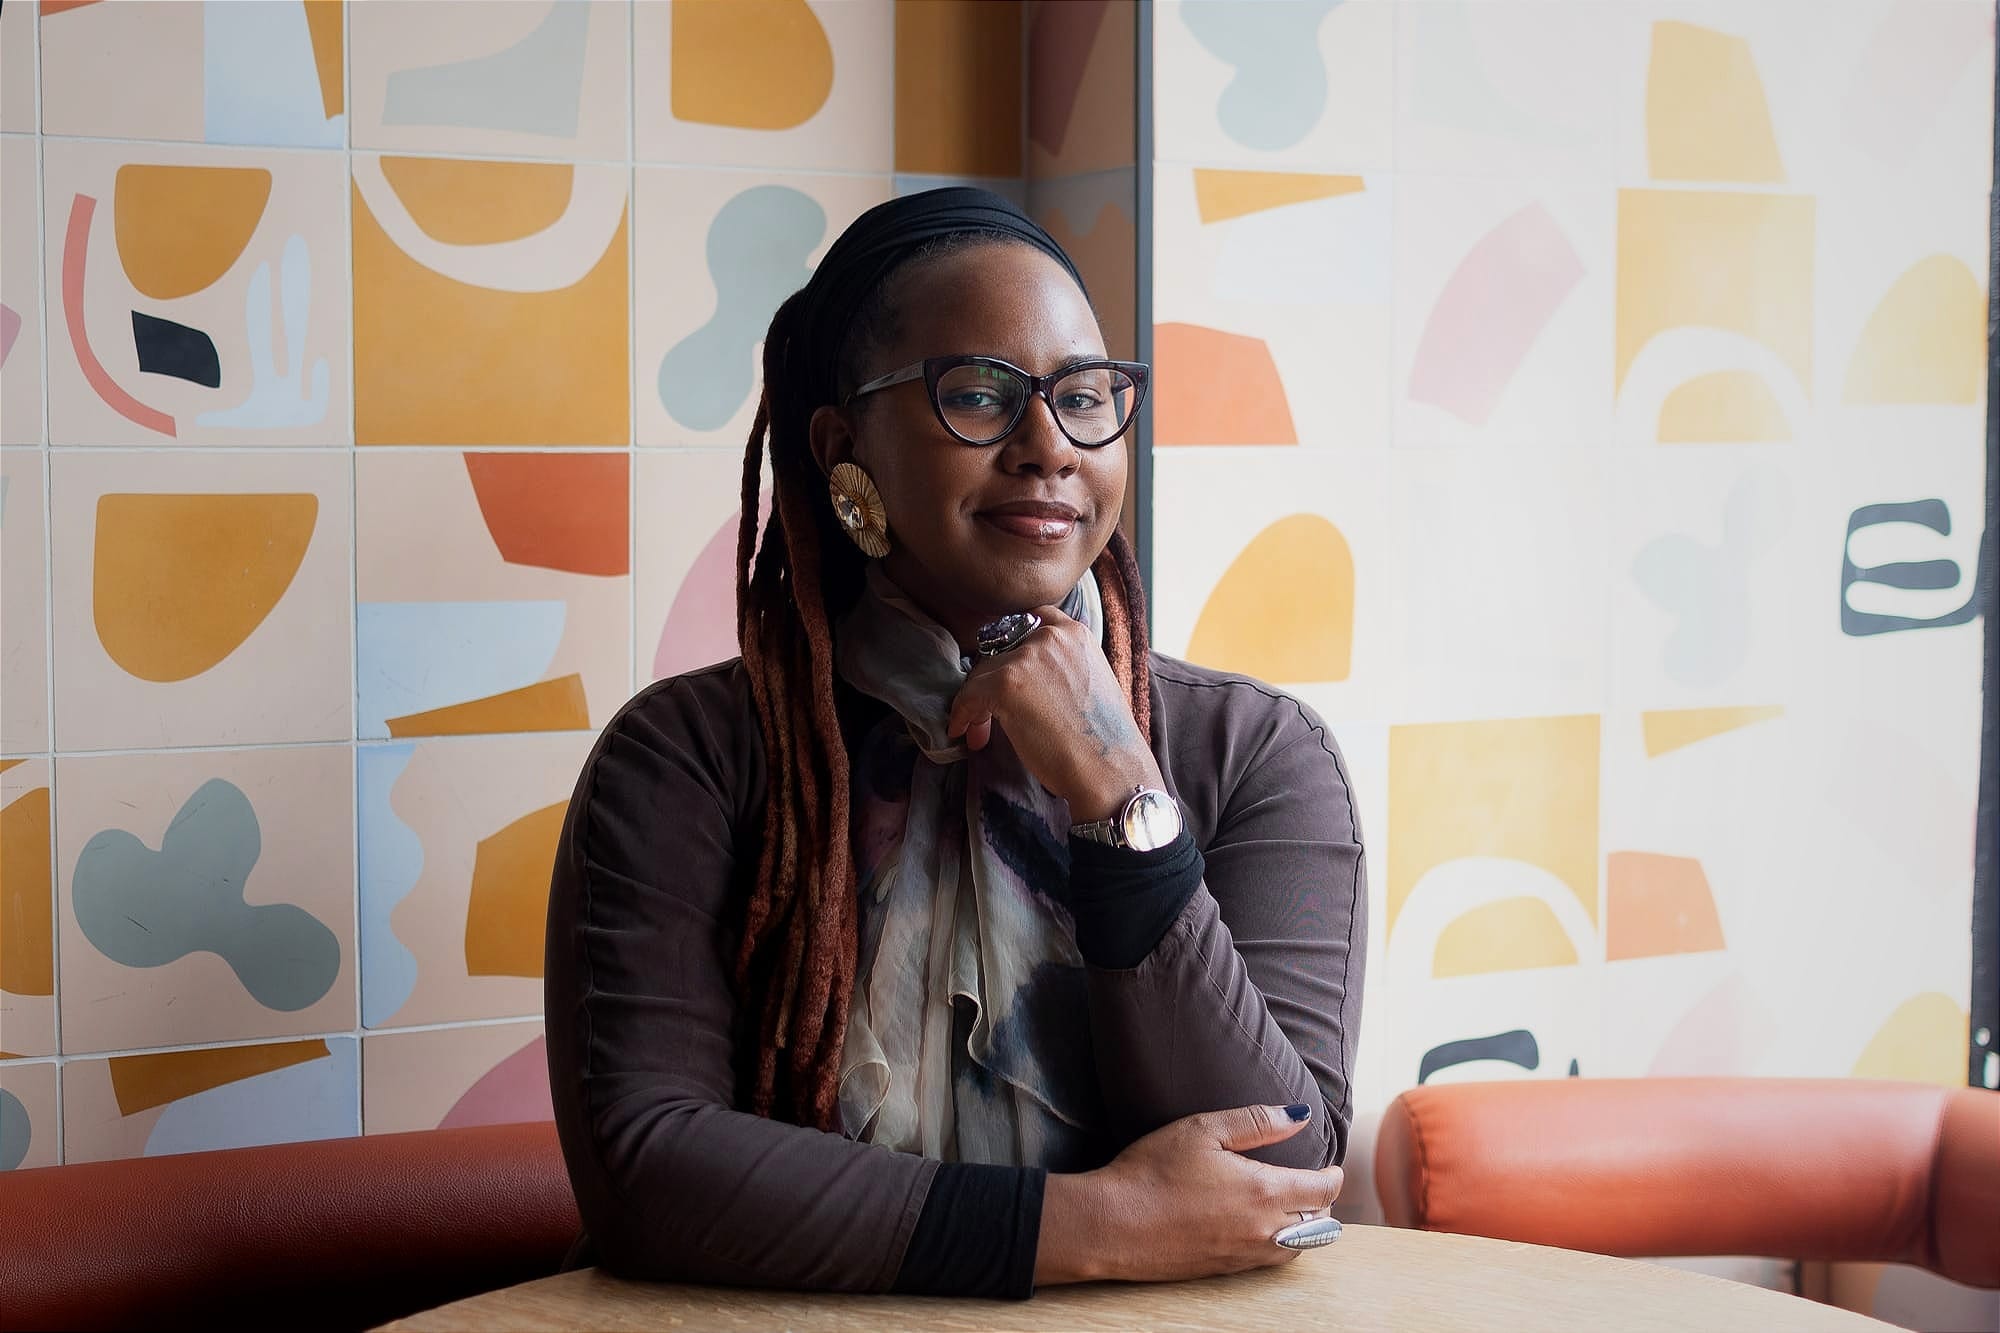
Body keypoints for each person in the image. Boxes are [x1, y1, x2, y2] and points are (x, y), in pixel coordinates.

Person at [544, 187, 1366, 1298]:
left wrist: (1118, 790)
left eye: (1083, 397)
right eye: (978, 394)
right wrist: (1089, 1225)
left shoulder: (1255, 753)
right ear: (845, 449)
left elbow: (1283, 1178)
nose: (1048, 448)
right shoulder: (689, 757)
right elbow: (652, 1169)